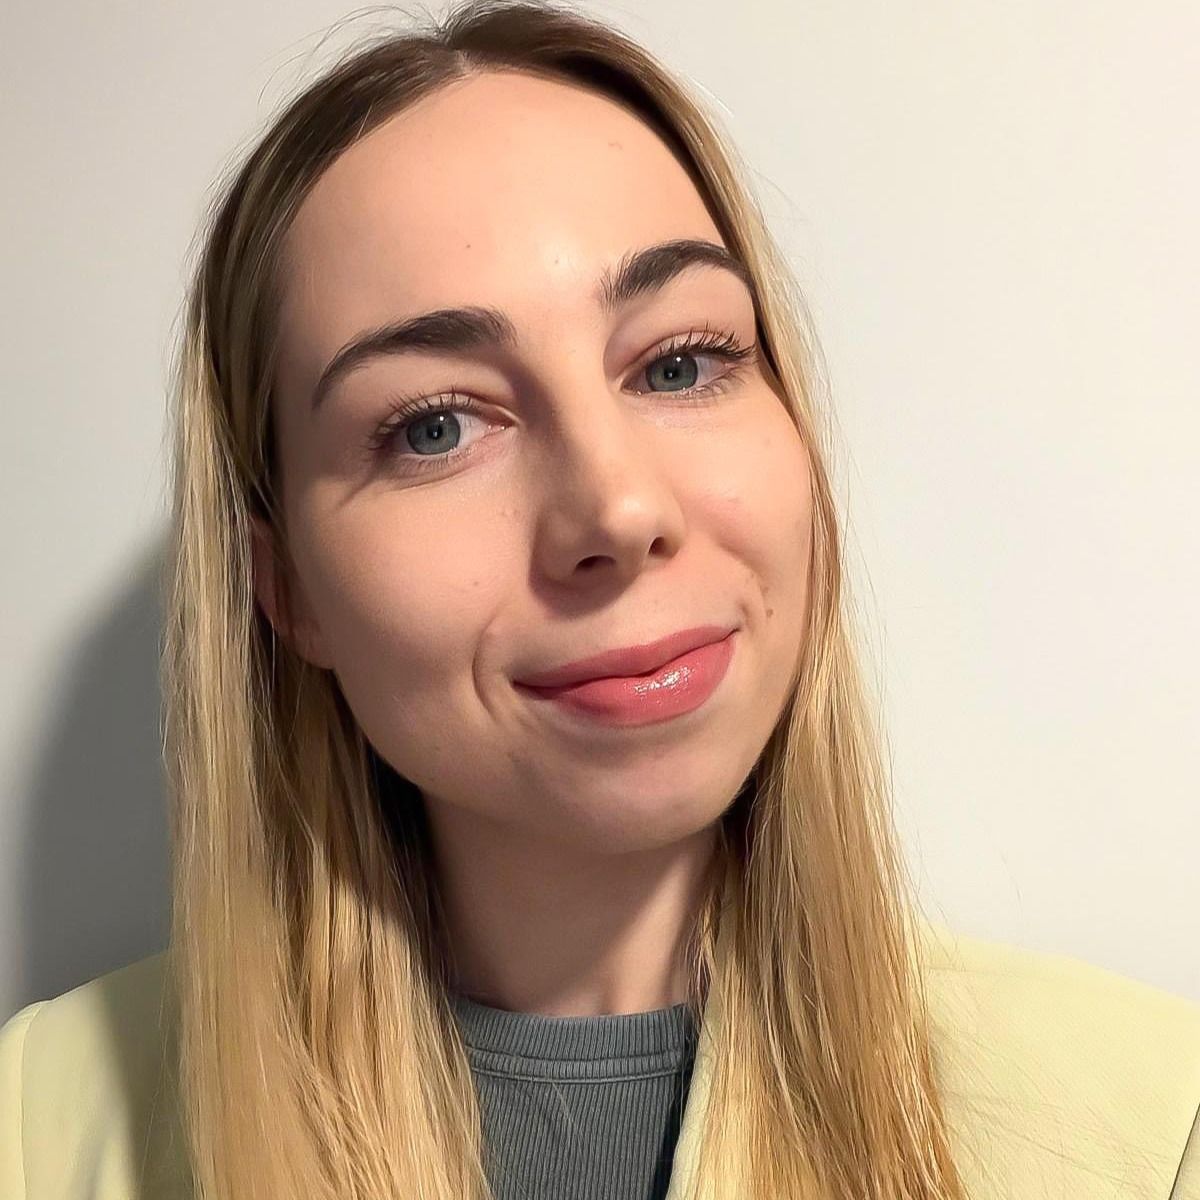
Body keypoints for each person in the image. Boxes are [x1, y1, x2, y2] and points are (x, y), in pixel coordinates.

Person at [2, 2, 1198, 1197]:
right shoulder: (33, 1136)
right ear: (286, 587)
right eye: (435, 426)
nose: (619, 511)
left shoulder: (1151, 1132)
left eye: (680, 363)